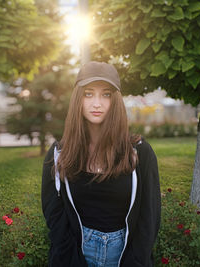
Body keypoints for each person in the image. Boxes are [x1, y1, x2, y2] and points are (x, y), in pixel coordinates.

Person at [41, 61, 161, 267]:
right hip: (76, 256)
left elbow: (149, 218)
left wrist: (136, 261)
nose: (97, 103)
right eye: (88, 93)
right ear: (78, 98)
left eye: (106, 94)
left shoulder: (139, 153)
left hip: (125, 257)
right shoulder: (59, 154)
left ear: (116, 101)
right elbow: (55, 216)